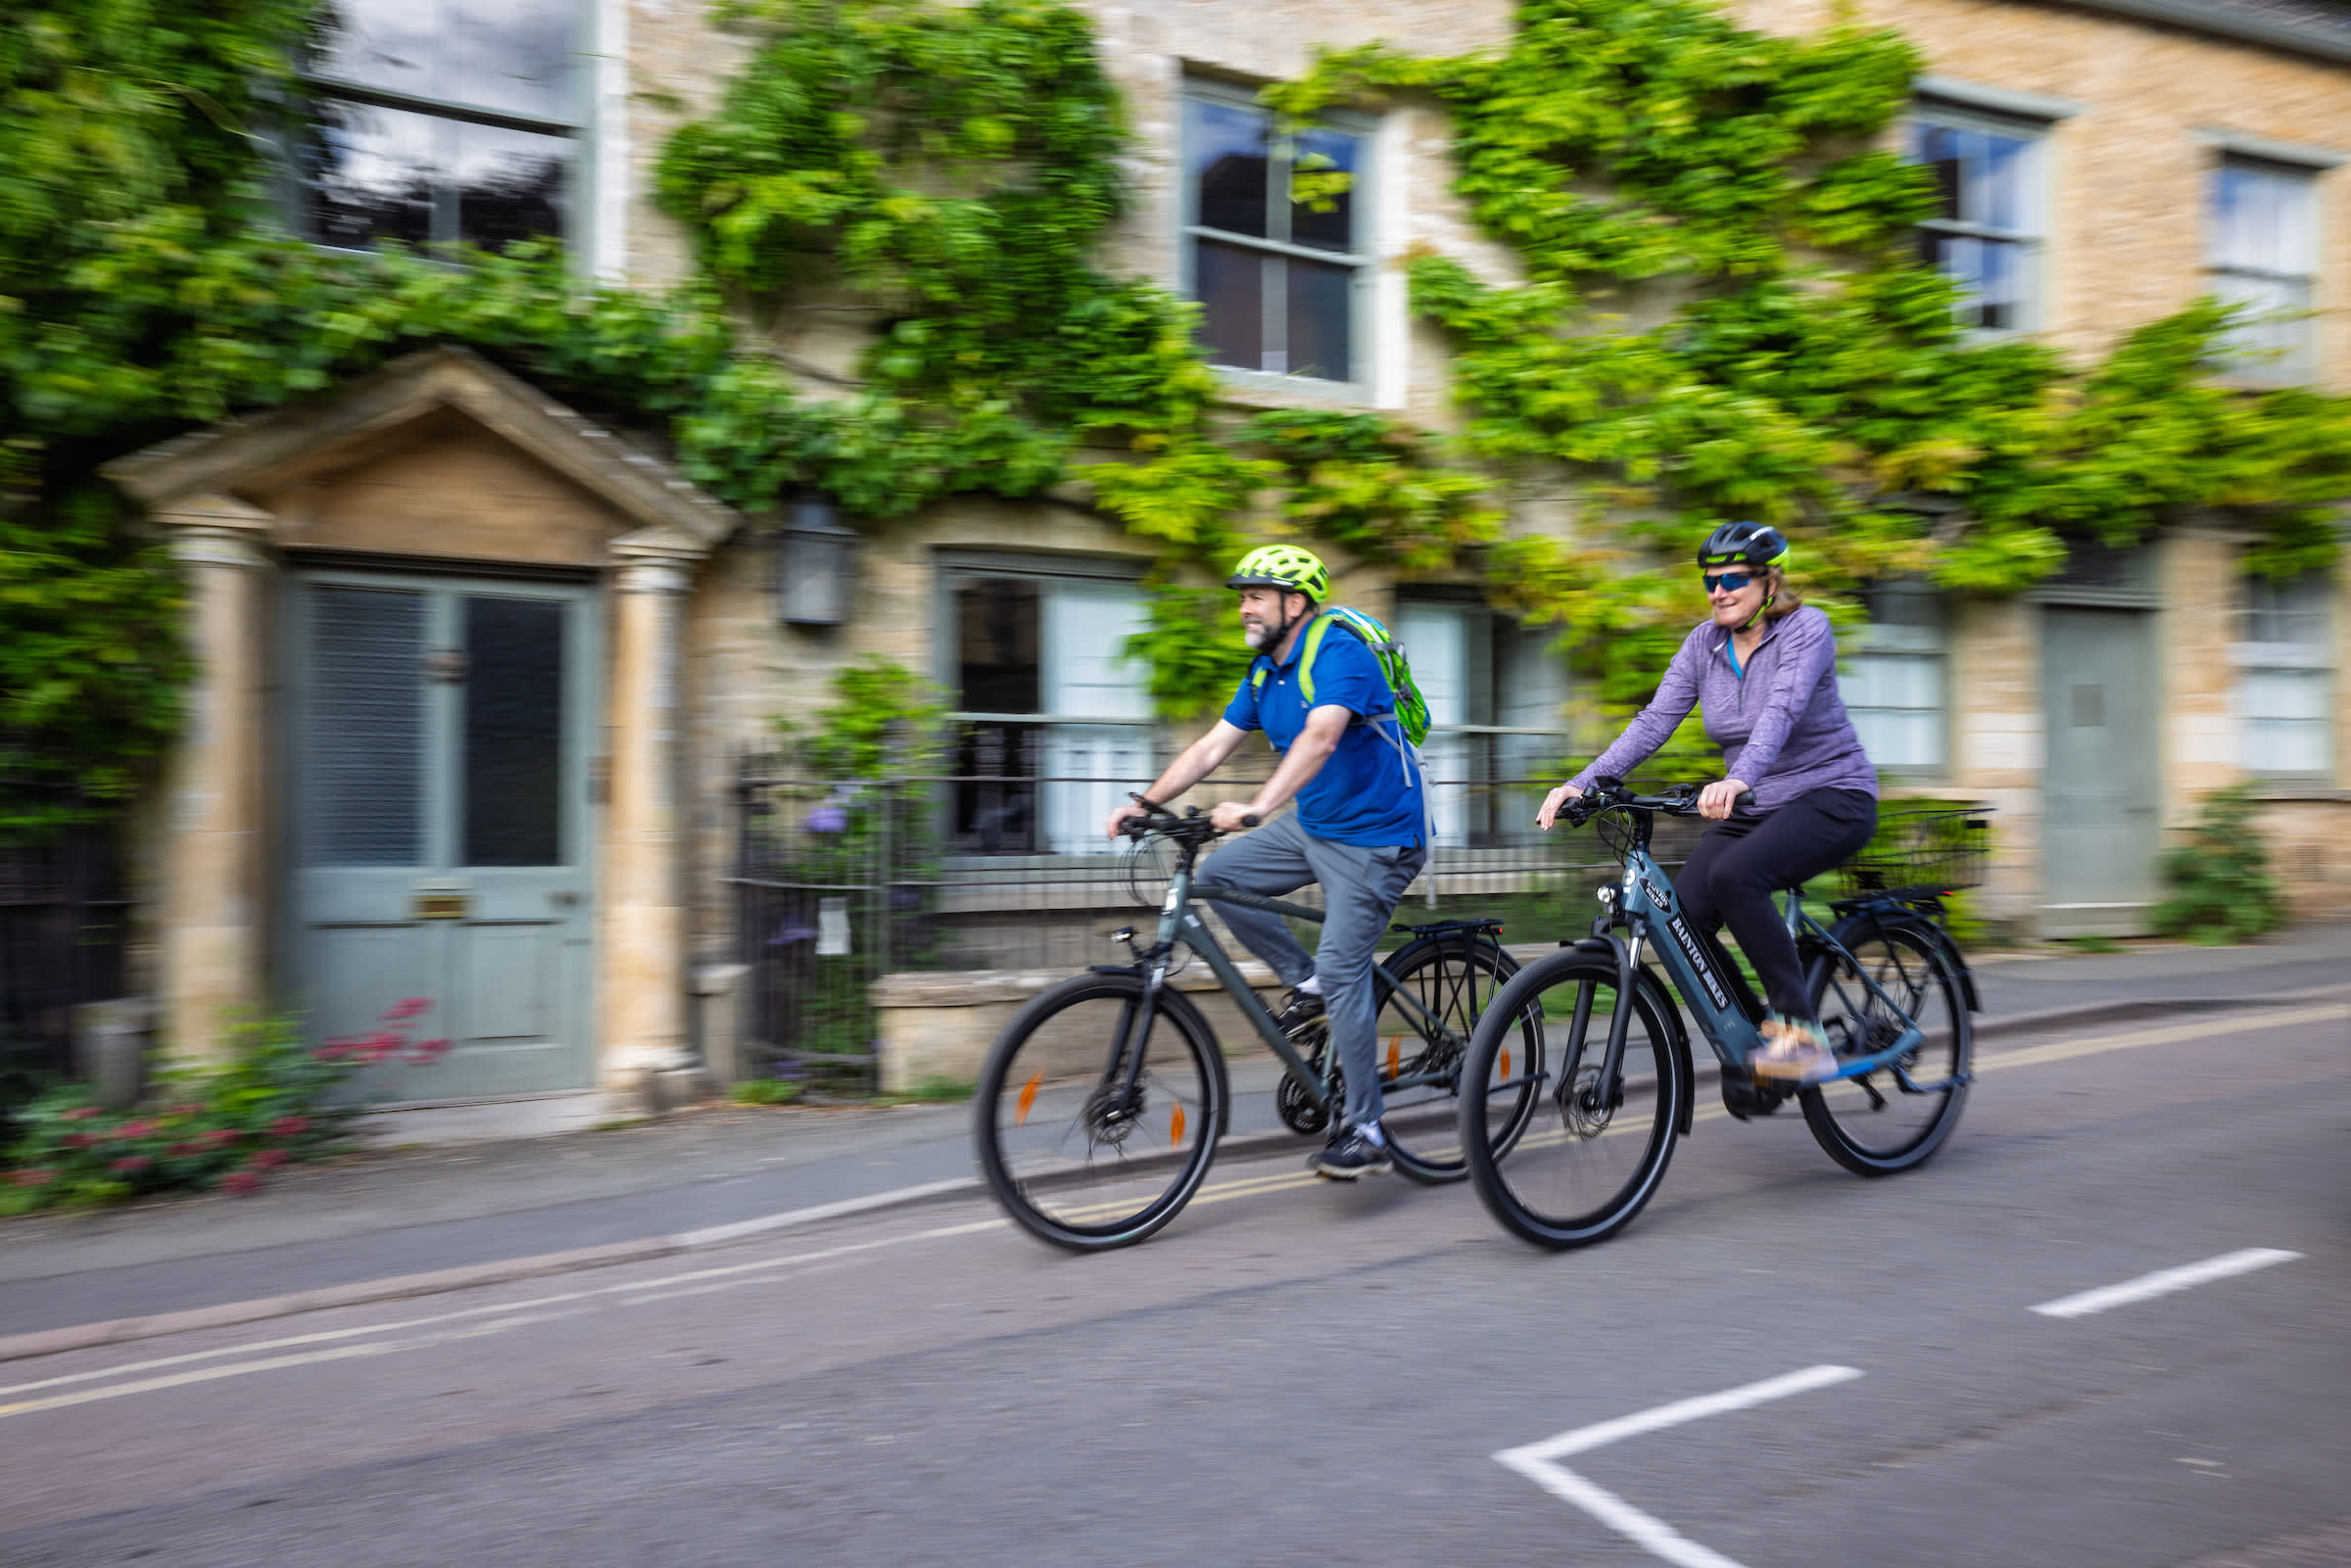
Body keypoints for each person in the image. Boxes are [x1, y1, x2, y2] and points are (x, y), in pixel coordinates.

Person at [1106, 545, 1428, 1179]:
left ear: (1296, 601)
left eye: (1254, 594)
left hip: (1378, 839)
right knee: (1219, 877)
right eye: (1241, 596)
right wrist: (1145, 801)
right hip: (1314, 827)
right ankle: (1305, 981)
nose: (1244, 606)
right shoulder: (1265, 672)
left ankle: (1366, 1128)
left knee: (1345, 970)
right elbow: (1210, 746)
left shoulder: (1338, 652)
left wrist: (1256, 806)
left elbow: (1322, 735)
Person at [1537, 522, 1878, 1084]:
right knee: (1684, 917)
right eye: (1710, 580)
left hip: (1831, 794)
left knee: (1738, 876)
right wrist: (1584, 783)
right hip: (1757, 803)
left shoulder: (1804, 629)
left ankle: (1799, 1031)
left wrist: (1738, 778)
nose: (1718, 590)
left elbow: (1781, 713)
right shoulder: (1704, 643)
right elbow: (1653, 722)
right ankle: (1754, 1042)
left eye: (1733, 578)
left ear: (1769, 581)